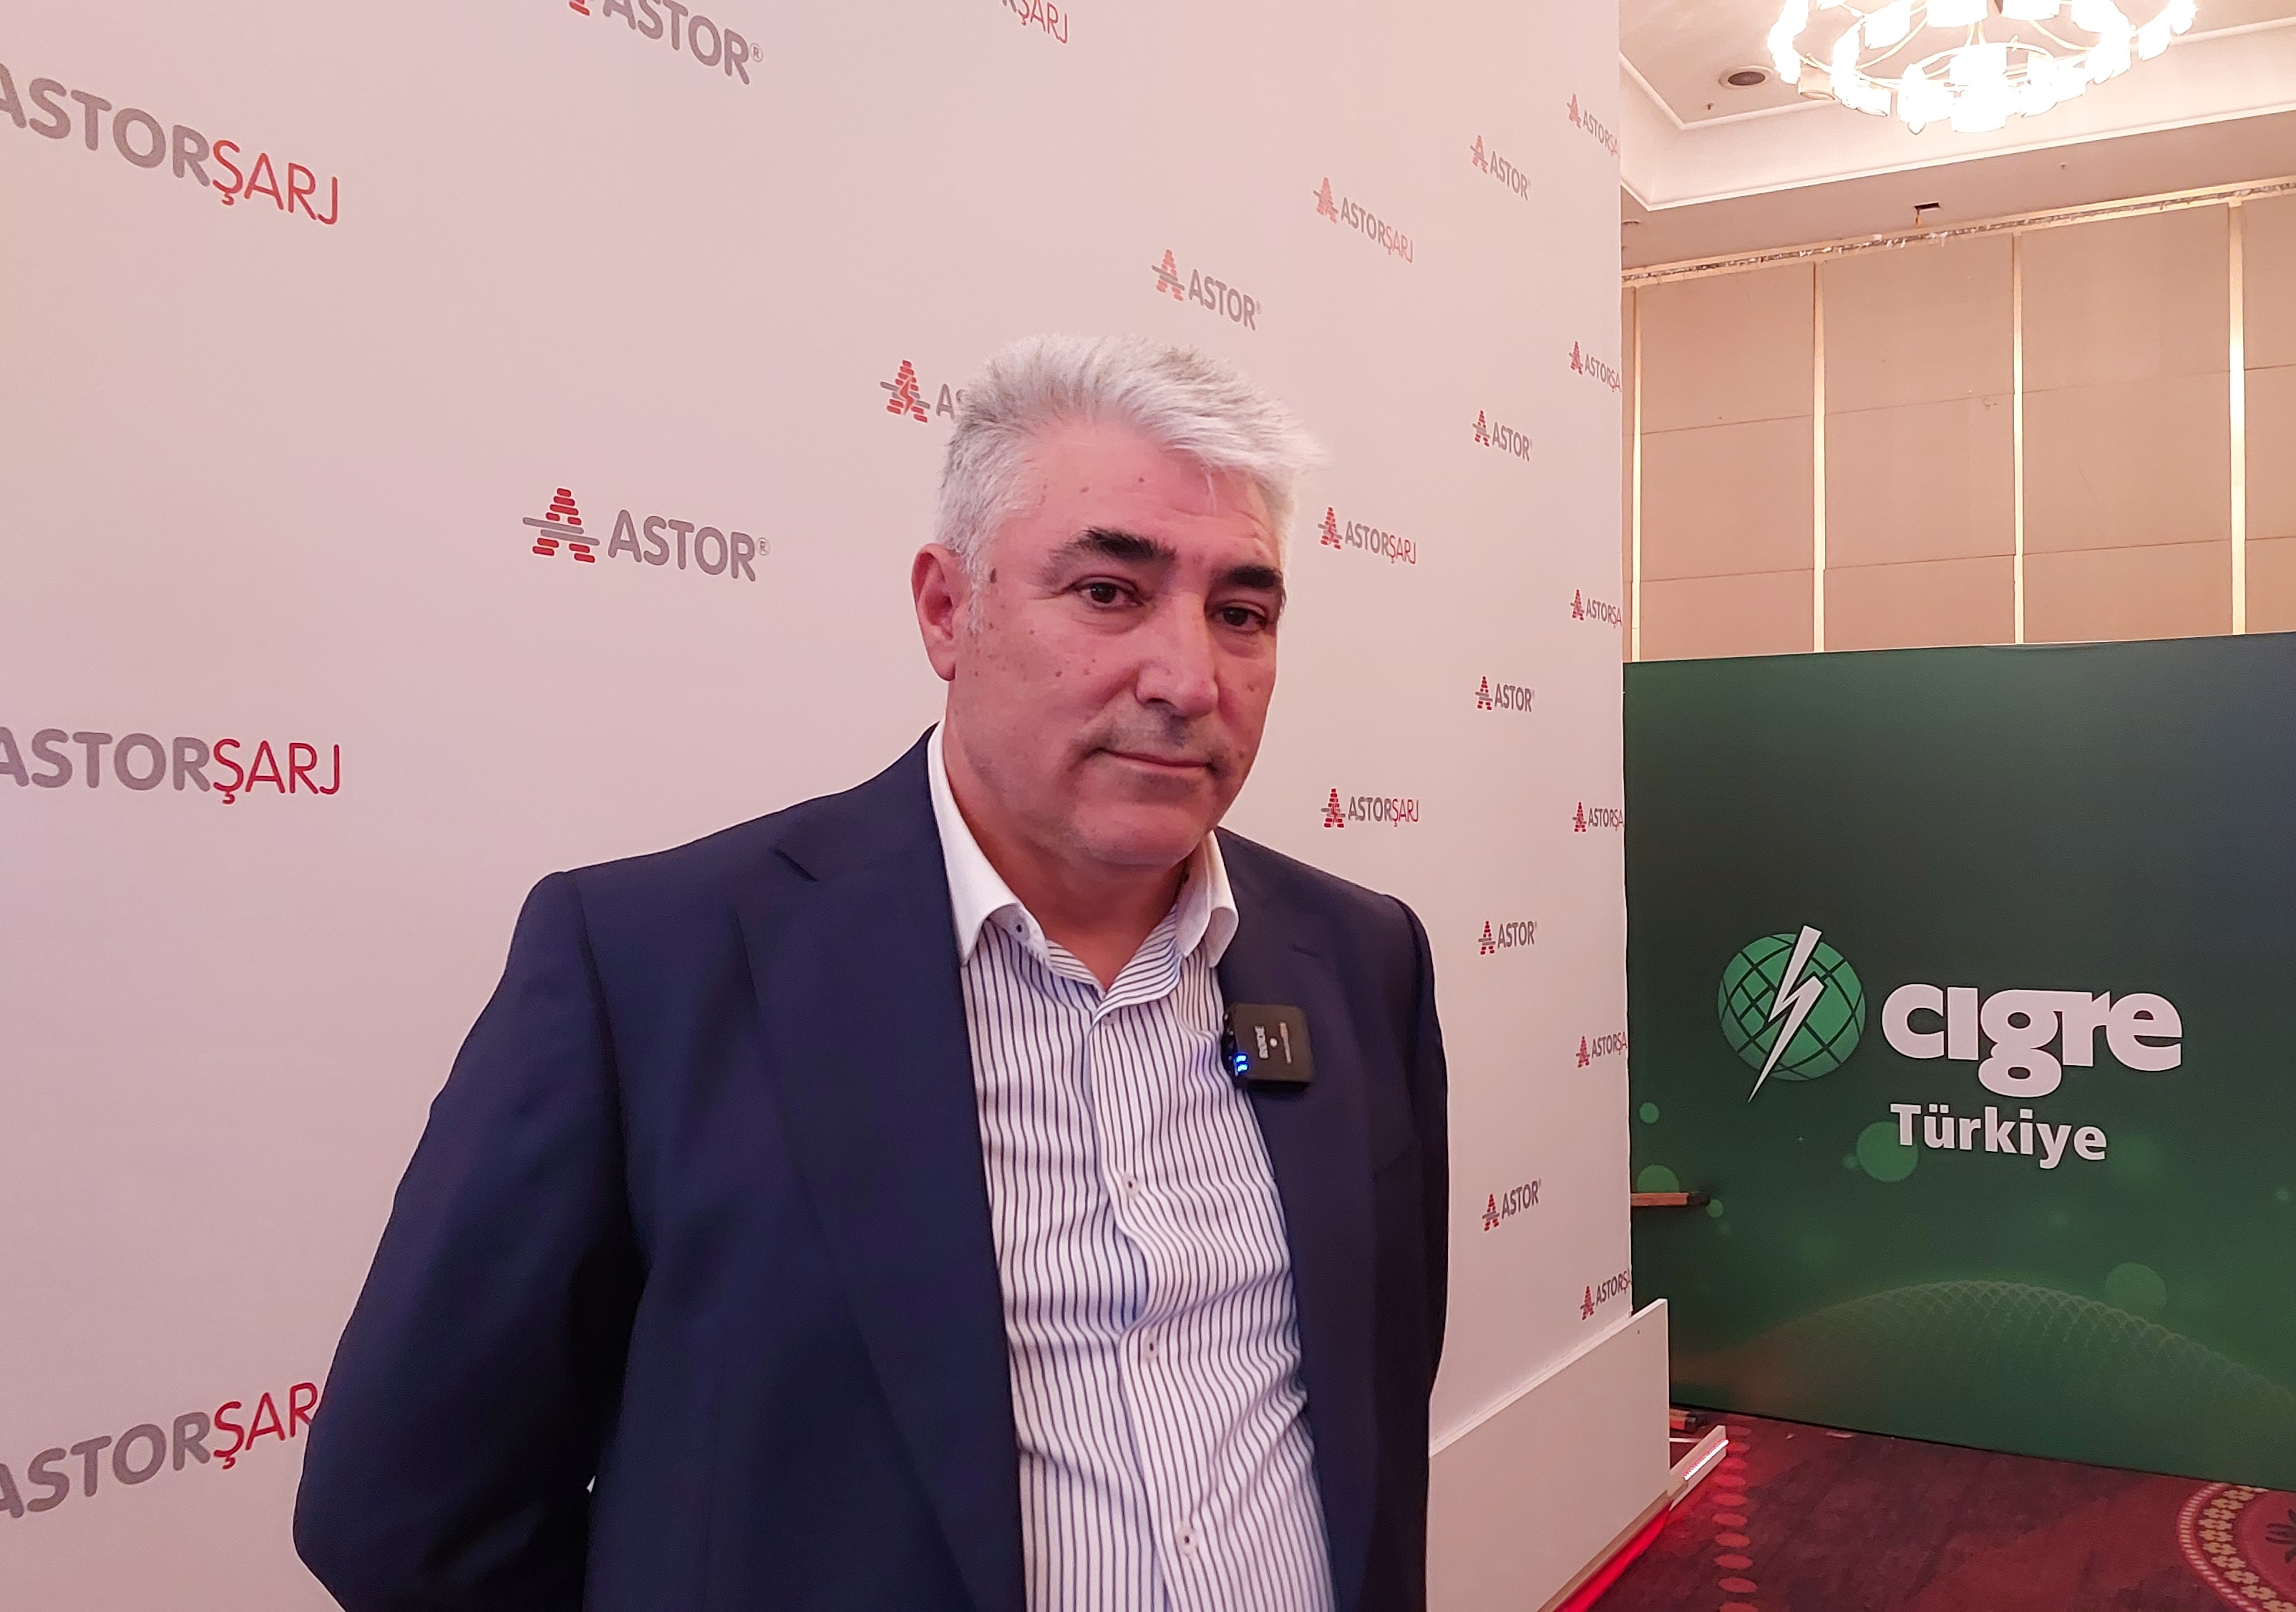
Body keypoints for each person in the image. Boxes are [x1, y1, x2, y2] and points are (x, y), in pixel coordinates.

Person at [293, 336, 1449, 1612]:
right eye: (1109, 592)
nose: (1189, 680)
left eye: (1241, 613)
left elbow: (1373, 1424)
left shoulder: (1363, 961)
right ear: (948, 611)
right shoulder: (651, 965)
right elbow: (405, 1516)